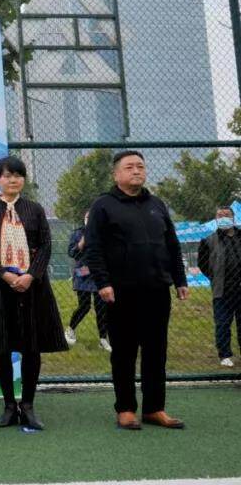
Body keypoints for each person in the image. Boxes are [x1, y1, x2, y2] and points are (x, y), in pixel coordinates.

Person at [83, 150, 189, 430]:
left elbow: (172, 244)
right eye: (129, 167)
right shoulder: (103, 206)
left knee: (156, 351)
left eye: (140, 166)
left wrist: (180, 279)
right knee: (124, 353)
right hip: (120, 293)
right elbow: (93, 248)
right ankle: (126, 409)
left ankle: (154, 408)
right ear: (116, 174)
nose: (136, 171)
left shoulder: (156, 204)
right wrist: (103, 282)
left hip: (157, 290)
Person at [0, 156, 67, 431]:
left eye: (18, 175)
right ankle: (8, 406)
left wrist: (30, 275)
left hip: (32, 287)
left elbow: (46, 245)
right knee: (1, 345)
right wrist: (5, 274)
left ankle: (28, 405)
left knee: (31, 346)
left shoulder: (34, 210)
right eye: (7, 175)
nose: (13, 180)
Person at [197, 206, 241, 368]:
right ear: (216, 219)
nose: (223, 218)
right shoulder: (208, 241)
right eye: (220, 215)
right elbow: (202, 264)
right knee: (222, 324)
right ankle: (225, 355)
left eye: (226, 215)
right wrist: (215, 278)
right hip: (222, 290)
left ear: (233, 218)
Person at [64, 211, 111, 352]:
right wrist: (82, 242)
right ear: (84, 219)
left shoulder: (103, 233)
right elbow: (72, 253)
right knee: (84, 306)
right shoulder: (78, 233)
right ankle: (70, 329)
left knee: (101, 308)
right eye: (88, 218)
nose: (90, 220)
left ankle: (103, 339)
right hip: (83, 272)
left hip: (98, 274)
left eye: (93, 218)